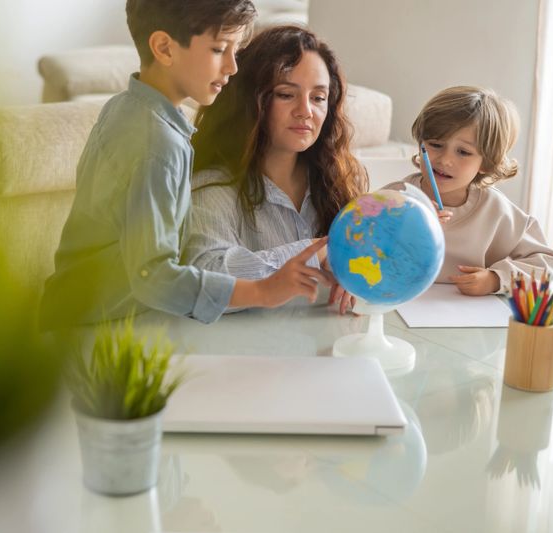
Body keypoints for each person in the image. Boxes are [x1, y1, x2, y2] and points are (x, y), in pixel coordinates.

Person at [38, 1, 332, 329]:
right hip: (92, 328)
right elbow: (154, 277)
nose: (233, 67)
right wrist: (262, 290)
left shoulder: (127, 108)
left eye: (236, 50)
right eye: (220, 49)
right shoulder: (156, 143)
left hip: (95, 314)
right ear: (164, 47)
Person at [184, 26, 366, 313]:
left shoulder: (339, 179)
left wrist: (354, 276)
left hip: (329, 345)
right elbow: (203, 277)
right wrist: (316, 252)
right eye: (285, 94)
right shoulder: (212, 188)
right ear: (252, 100)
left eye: (318, 98)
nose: (305, 111)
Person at [385, 86, 553, 296]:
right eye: (435, 145)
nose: (445, 160)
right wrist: (408, 226)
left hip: (468, 316)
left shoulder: (496, 211)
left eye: (463, 152)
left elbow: (544, 264)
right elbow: (359, 246)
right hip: (397, 305)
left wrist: (496, 279)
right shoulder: (392, 198)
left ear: (486, 162)